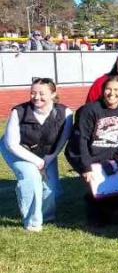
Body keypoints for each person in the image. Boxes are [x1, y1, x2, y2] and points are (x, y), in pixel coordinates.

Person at [0, 78, 73, 232]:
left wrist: (47, 160)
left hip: (45, 154)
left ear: (53, 94)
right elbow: (11, 144)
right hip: (17, 150)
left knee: (51, 187)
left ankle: (45, 215)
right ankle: (32, 222)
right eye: (33, 93)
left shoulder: (65, 113)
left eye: (42, 93)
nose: (36, 97)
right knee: (31, 178)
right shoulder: (18, 111)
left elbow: (62, 140)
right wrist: (37, 163)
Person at [66, 76, 118, 226]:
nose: (112, 93)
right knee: (96, 197)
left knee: (113, 196)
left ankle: (111, 211)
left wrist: (117, 163)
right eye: (108, 89)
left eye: (116, 89)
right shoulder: (90, 110)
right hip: (89, 157)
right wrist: (86, 167)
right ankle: (94, 215)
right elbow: (82, 139)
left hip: (109, 159)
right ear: (103, 91)